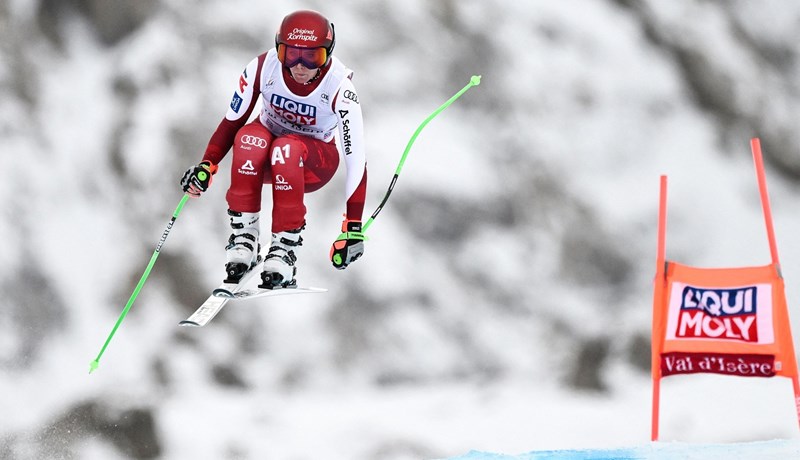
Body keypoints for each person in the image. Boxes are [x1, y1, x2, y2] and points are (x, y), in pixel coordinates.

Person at [180, 9, 367, 289]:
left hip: (313, 164)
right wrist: (207, 165)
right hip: (266, 155)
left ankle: (285, 249)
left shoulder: (340, 87)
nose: (300, 66)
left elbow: (356, 159)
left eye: (312, 57)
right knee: (248, 138)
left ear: (328, 54)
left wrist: (352, 226)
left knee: (286, 148)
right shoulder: (262, 67)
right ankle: (244, 238)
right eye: (290, 55)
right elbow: (232, 122)